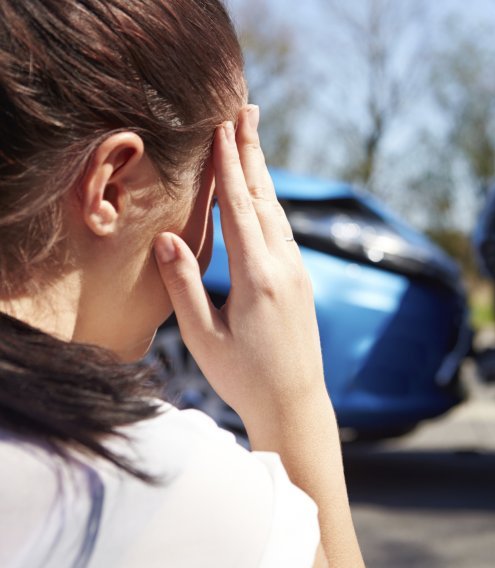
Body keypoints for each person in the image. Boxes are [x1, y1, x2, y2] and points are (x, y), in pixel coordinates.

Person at [0, 1, 364, 566]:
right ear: (114, 188)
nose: (209, 248)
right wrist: (295, 406)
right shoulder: (155, 484)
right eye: (214, 200)